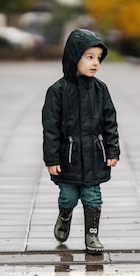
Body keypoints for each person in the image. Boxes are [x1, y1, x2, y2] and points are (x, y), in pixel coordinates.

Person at [42, 29, 120, 254]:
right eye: (89, 57)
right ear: (74, 58)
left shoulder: (100, 90)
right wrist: (52, 158)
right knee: (68, 195)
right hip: (68, 157)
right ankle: (65, 215)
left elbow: (110, 122)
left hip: (94, 156)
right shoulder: (57, 91)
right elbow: (50, 129)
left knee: (92, 196)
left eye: (98, 58)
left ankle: (92, 234)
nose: (95, 63)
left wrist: (112, 151)